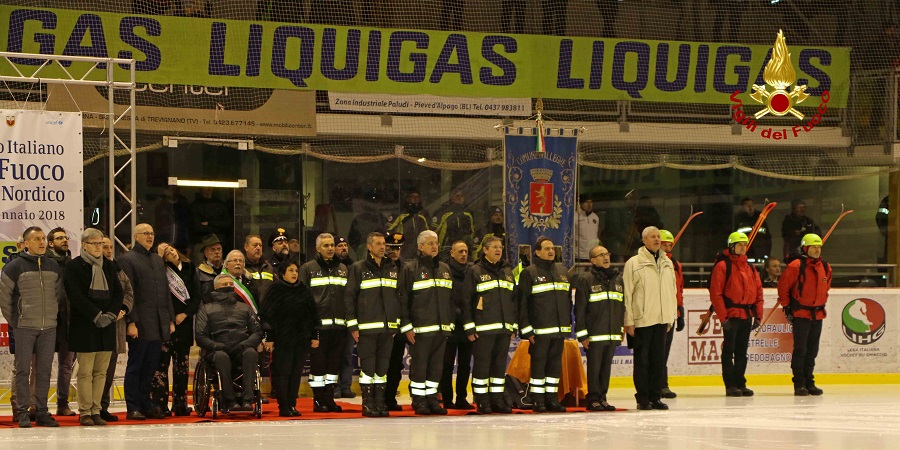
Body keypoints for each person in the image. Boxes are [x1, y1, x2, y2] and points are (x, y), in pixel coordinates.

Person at [0, 227, 63, 428]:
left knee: (44, 371)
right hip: (24, 326)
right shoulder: (14, 266)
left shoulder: (53, 265)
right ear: (26, 243)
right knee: (22, 371)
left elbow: (58, 295)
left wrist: (52, 315)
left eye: (44, 238)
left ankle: (42, 411)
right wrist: (16, 321)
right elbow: (4, 297)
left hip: (49, 327)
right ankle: (22, 412)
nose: (42, 242)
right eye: (37, 239)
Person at [64, 228, 125, 426]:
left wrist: (110, 314)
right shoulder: (74, 266)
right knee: (86, 371)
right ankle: (85, 412)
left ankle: (96, 410)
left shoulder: (109, 266)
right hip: (85, 325)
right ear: (84, 245)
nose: (100, 247)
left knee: (101, 372)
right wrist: (96, 315)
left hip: (107, 325)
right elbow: (75, 295)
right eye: (95, 243)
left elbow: (118, 293)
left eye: (101, 243)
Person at [117, 223, 176, 421]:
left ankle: (146, 403)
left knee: (151, 366)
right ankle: (133, 406)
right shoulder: (127, 259)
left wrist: (169, 319)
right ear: (136, 236)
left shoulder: (157, 261)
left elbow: (165, 292)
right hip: (140, 322)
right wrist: (131, 322)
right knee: (136, 366)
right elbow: (128, 292)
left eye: (152, 233)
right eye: (146, 234)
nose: (150, 236)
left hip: (158, 321)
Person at [344, 232, 401, 417]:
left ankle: (379, 402)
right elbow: (349, 297)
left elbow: (398, 297)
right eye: (378, 243)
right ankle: (368, 404)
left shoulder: (392, 267)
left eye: (384, 243)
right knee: (368, 369)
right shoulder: (358, 268)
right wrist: (353, 326)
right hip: (367, 328)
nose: (382, 247)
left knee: (382, 369)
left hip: (387, 328)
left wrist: (394, 324)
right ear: (369, 246)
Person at [399, 230, 454, 416]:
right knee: (420, 367)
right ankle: (419, 400)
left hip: (441, 330)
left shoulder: (445, 269)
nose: (434, 246)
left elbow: (451, 300)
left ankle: (432, 398)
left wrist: (450, 323)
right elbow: (403, 299)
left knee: (436, 368)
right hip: (421, 330)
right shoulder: (411, 269)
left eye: (436, 243)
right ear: (420, 246)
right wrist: (406, 326)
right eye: (429, 243)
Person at [623, 226, 677, 411]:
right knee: (642, 361)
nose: (656, 239)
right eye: (652, 237)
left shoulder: (667, 263)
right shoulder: (634, 263)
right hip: (642, 320)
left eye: (658, 237)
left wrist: (670, 317)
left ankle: (656, 396)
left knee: (658, 360)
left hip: (662, 320)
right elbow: (627, 293)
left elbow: (672, 291)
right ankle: (643, 397)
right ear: (644, 240)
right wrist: (628, 320)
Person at [462, 236, 516, 414]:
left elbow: (513, 301)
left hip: (504, 328)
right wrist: (469, 326)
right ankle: (482, 401)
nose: (498, 250)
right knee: (482, 366)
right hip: (483, 329)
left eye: (500, 247)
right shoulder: (475, 271)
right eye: (494, 247)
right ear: (485, 250)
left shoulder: (507, 271)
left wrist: (513, 325)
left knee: (499, 366)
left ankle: (497, 399)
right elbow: (466, 300)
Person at [517, 236, 571, 413]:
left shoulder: (562, 271)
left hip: (559, 330)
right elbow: (522, 303)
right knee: (539, 366)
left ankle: (552, 398)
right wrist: (526, 330)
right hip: (539, 331)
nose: (550, 251)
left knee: (555, 366)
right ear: (537, 252)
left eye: (552, 248)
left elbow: (567, 302)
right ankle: (538, 399)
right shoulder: (529, 273)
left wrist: (566, 325)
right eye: (546, 248)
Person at [195, 274, 263, 413]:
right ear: (216, 287)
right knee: (221, 357)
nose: (228, 287)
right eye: (224, 284)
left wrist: (245, 344)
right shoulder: (206, 309)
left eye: (230, 284)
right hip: (217, 350)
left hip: (241, 348)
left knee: (251, 353)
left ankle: (248, 400)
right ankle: (229, 400)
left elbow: (257, 332)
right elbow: (200, 336)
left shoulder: (245, 308)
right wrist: (217, 346)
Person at [261, 260, 320, 416]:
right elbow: (267, 316)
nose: (294, 273)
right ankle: (284, 405)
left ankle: (292, 404)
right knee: (283, 372)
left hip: (301, 338)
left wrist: (315, 335)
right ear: (282, 273)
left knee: (296, 373)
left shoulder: (304, 290)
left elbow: (314, 315)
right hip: (283, 339)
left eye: (296, 270)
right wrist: (269, 337)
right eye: (290, 270)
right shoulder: (275, 290)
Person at [709, 232, 764, 397]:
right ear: (731, 247)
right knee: (729, 350)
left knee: (741, 351)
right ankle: (731, 384)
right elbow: (716, 293)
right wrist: (723, 317)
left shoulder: (750, 268)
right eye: (739, 244)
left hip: (746, 314)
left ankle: (740, 382)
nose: (742, 247)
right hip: (731, 314)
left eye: (744, 245)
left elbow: (758, 292)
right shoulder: (722, 266)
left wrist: (758, 315)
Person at [298, 233, 348, 413]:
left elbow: (347, 298)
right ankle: (318, 400)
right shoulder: (308, 268)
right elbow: (302, 299)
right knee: (318, 365)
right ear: (317, 248)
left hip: (339, 326)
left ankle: (330, 398)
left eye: (332, 245)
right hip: (318, 327)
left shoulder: (343, 268)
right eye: (326, 245)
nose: (330, 248)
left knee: (334, 366)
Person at [777, 234, 831, 397]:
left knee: (812, 350)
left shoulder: (826, 267)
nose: (816, 250)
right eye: (813, 247)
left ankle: (809, 381)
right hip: (801, 313)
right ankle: (799, 383)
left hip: (818, 314)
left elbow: (826, 288)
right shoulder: (796, 266)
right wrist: (787, 307)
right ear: (806, 248)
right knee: (801, 349)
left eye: (819, 247)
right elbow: (783, 288)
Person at [151, 243, 200, 416]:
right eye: (165, 251)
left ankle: (180, 404)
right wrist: (171, 318)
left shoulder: (190, 268)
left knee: (182, 367)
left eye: (171, 248)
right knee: (161, 365)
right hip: (166, 324)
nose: (170, 251)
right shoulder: (160, 270)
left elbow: (196, 297)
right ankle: (160, 404)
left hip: (185, 323)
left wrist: (185, 314)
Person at [574, 245, 623, 412]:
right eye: (601, 255)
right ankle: (593, 398)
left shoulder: (618, 279)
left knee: (606, 368)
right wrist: (582, 335)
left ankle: (603, 397)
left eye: (607, 253)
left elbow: (621, 307)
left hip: (612, 333)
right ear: (593, 260)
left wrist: (620, 329)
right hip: (595, 334)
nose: (606, 257)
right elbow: (580, 309)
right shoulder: (586, 279)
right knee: (594, 368)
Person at [99, 235, 135, 423]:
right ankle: (91, 407)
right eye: (105, 246)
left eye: (110, 247)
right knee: (95, 370)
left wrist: (123, 309)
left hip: (116, 325)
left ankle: (103, 406)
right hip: (97, 326)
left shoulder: (118, 269)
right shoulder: (90, 268)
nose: (108, 250)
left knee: (110, 369)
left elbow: (128, 292)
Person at [439, 241, 474, 410]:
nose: (464, 254)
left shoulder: (472, 272)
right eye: (460, 251)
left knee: (465, 365)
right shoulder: (444, 271)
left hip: (467, 326)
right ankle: (446, 398)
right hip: (450, 325)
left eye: (466, 251)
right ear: (452, 253)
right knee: (446, 365)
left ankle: (461, 397)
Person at [46, 226, 76, 417]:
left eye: (65, 237)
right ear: (50, 243)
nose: (64, 240)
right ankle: (38, 406)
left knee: (66, 366)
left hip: (69, 321)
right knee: (43, 365)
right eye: (59, 238)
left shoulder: (73, 264)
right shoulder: (46, 263)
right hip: (49, 321)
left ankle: (62, 403)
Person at [383, 231, 410, 412]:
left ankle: (390, 397)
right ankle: (378, 398)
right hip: (382, 325)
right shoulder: (379, 267)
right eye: (391, 247)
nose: (394, 252)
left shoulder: (406, 268)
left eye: (398, 248)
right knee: (380, 365)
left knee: (395, 365)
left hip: (400, 326)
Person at [658, 230, 685, 399]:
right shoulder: (655, 262)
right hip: (656, 313)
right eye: (664, 244)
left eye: (670, 245)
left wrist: (680, 311)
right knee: (657, 351)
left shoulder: (675, 264)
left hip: (671, 313)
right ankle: (655, 384)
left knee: (665, 351)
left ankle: (663, 385)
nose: (668, 248)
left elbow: (679, 289)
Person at [334, 236, 357, 399]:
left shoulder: (354, 267)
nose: (343, 248)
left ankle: (346, 387)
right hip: (334, 319)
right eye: (339, 245)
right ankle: (334, 387)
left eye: (345, 245)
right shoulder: (332, 267)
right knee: (334, 356)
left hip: (349, 319)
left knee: (348, 355)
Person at [387, 190, 431, 261]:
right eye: (413, 197)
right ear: (407, 199)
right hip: (403, 253)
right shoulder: (400, 215)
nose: (415, 199)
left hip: (419, 253)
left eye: (417, 197)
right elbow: (389, 231)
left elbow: (429, 234)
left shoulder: (423, 215)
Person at [433, 188, 475, 259]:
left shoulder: (468, 213)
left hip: (464, 251)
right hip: (445, 251)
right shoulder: (443, 212)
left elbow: (472, 233)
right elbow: (434, 232)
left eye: (461, 196)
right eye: (456, 195)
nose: (459, 198)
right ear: (450, 197)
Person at [189, 187, 232, 257]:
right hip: (201, 243)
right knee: (201, 267)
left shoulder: (221, 205)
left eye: (210, 187)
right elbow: (197, 228)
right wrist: (218, 229)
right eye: (205, 187)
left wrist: (209, 223)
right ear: (200, 189)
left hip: (220, 243)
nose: (208, 189)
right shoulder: (195, 206)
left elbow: (227, 224)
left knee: (220, 267)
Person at [735, 198, 772, 262]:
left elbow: (768, 238)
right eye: (747, 206)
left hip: (760, 256)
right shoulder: (738, 221)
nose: (750, 207)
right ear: (742, 208)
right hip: (745, 257)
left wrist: (767, 254)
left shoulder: (761, 220)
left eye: (752, 205)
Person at [195, 234, 224, 299]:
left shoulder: (228, 269)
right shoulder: (198, 272)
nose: (216, 252)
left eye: (219, 249)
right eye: (213, 249)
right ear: (205, 253)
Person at [576, 194, 602, 262]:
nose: (589, 204)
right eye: (587, 202)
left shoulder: (595, 217)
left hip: (593, 254)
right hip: (578, 255)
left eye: (591, 202)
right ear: (581, 203)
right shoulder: (574, 216)